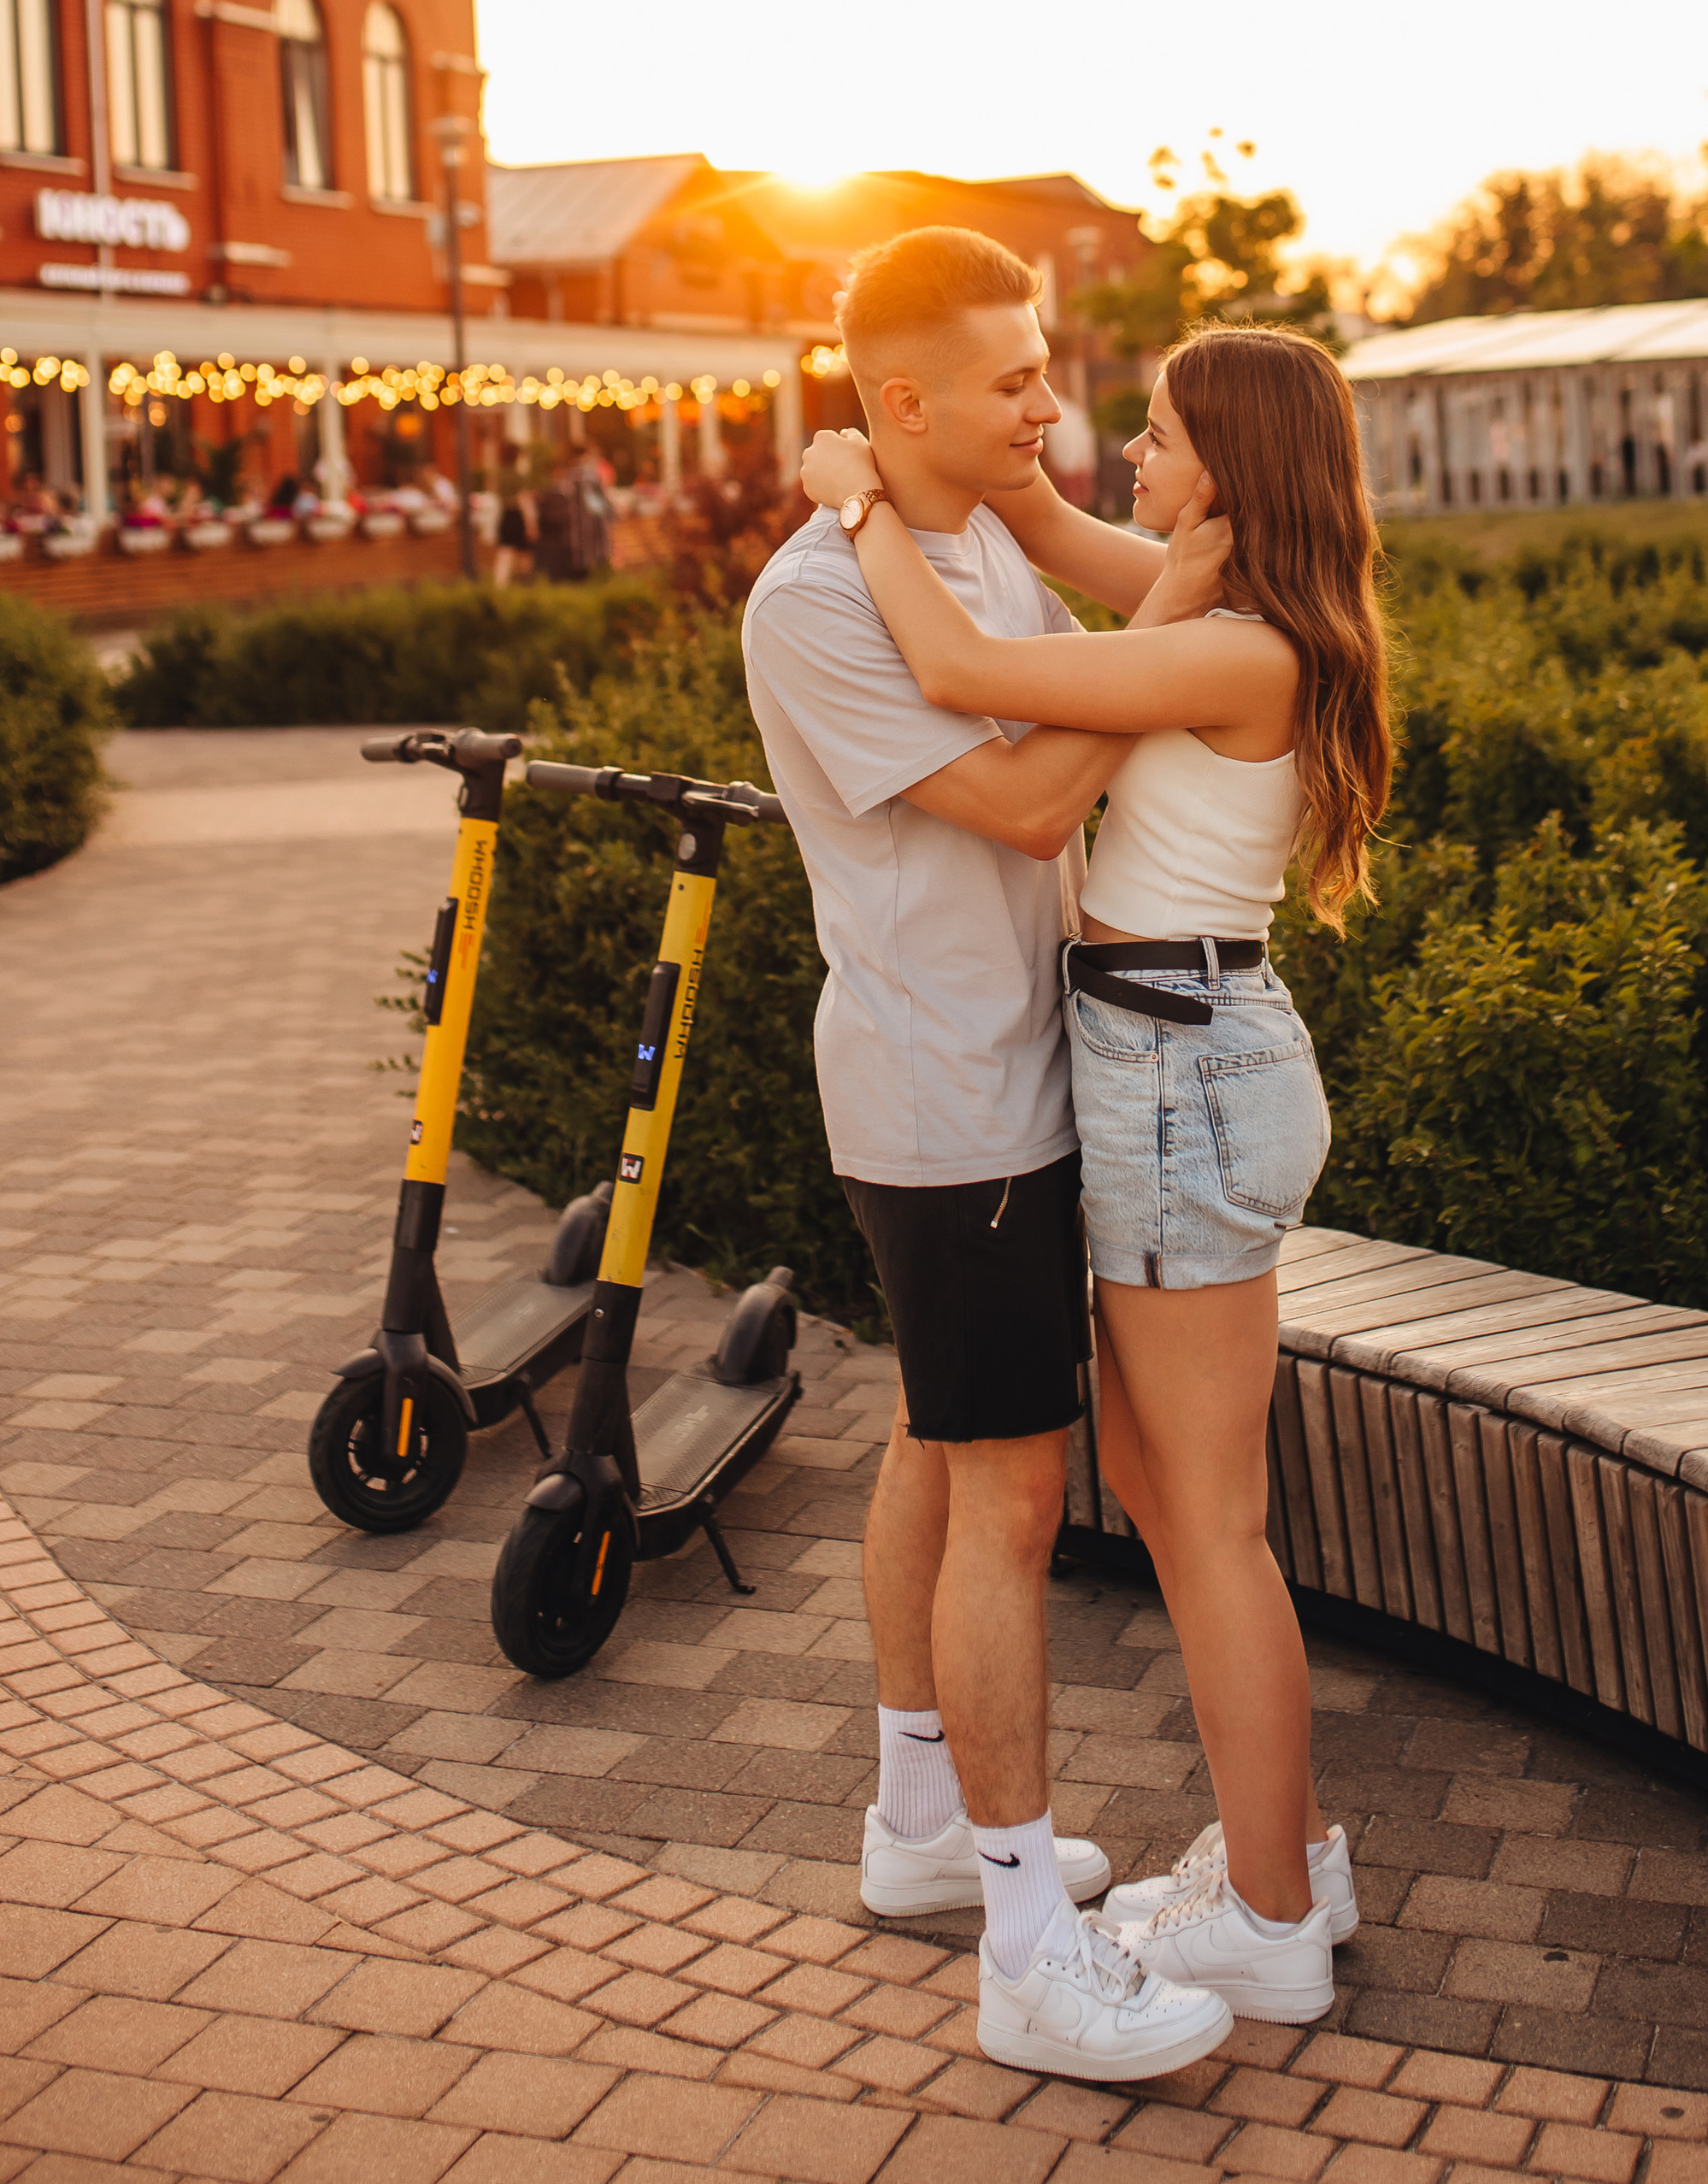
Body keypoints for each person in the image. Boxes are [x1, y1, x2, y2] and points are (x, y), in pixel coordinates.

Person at [798, 315, 1391, 2029]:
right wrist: (983, 477)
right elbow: (1052, 538)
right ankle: (1277, 1858)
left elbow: (976, 681)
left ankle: (1273, 1914)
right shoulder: (1225, 609)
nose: (1117, 452)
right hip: (1175, 1059)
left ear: (1231, 469)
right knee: (1172, 1490)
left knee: (1206, 1526)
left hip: (1177, 1072)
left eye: (1157, 433)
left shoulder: (1234, 649)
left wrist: (849, 506)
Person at [743, 227, 1240, 2086]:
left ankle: (921, 1827)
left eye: (1047, 368)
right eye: (1017, 376)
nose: (1053, 402)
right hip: (954, 1104)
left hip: (1009, 1079)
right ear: (898, 404)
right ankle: (1028, 1949)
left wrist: (1141, 591)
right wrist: (1151, 649)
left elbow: (1076, 675)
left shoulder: (963, 538)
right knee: (1010, 1506)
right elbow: (1035, 794)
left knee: (937, 1450)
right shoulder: (814, 600)